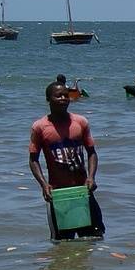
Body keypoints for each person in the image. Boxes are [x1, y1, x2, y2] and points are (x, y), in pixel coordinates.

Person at [29, 82, 104, 240]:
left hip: (83, 191)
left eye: (66, 95)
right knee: (62, 243)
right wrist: (43, 185)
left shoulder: (80, 122)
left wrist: (91, 177)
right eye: (58, 95)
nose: (63, 98)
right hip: (57, 194)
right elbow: (33, 159)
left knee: (94, 238)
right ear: (48, 99)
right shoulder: (40, 127)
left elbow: (92, 153)